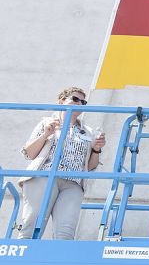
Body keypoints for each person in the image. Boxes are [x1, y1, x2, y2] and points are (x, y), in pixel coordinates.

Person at [17, 87, 106, 239]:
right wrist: (46, 134)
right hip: (44, 176)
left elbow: (90, 166)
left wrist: (97, 149)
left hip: (73, 183)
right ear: (61, 101)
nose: (79, 103)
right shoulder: (47, 123)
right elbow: (30, 153)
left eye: (83, 102)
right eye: (75, 99)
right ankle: (21, 260)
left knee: (66, 231)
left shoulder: (88, 131)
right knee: (31, 224)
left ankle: (58, 261)